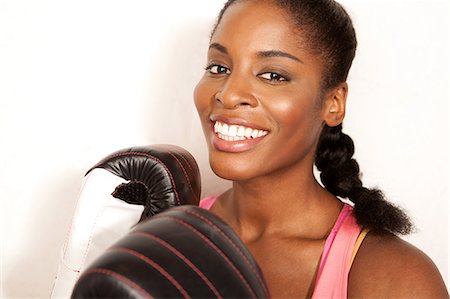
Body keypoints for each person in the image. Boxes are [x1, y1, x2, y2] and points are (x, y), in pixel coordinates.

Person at [193, 0, 448, 298]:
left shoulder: (397, 279)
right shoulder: (170, 236)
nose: (229, 94)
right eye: (218, 67)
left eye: (273, 75)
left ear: (334, 103)